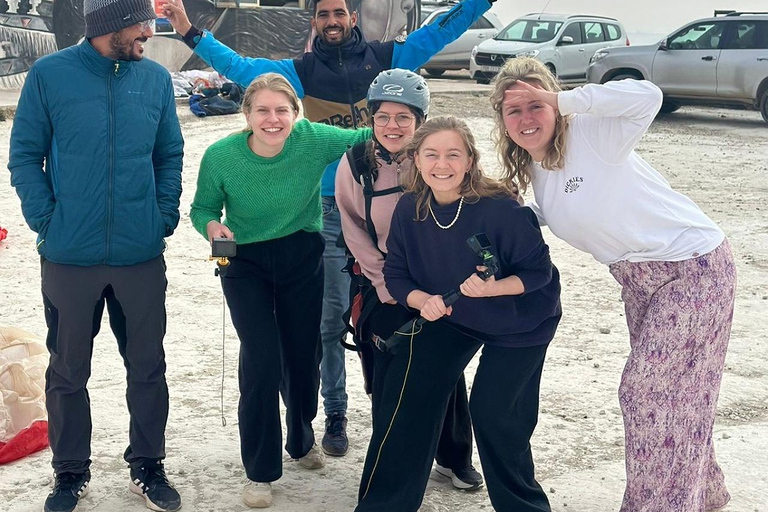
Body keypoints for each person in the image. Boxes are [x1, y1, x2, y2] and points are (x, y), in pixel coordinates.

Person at [163, 0, 496, 457]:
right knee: (330, 318)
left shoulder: (385, 60)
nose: (332, 21)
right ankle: (335, 412)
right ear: (314, 22)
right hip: (326, 209)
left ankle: (446, 444)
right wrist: (186, 28)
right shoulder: (298, 72)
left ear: (352, 17)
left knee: (423, 310)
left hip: (391, 202)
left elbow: (440, 31)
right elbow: (239, 68)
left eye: (339, 12)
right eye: (323, 14)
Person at [490, 57, 736, 512]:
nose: (527, 119)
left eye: (536, 105)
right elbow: (569, 209)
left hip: (693, 267)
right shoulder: (537, 168)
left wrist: (566, 100)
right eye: (514, 111)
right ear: (502, 121)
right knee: (681, 394)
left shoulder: (593, 134)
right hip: (638, 281)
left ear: (554, 105)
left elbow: (649, 97)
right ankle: (703, 495)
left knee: (645, 393)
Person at [7, 0, 184, 511]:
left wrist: (161, 215)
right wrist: (48, 221)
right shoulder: (50, 75)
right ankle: (69, 473)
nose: (150, 33)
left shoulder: (152, 79)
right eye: (142, 25)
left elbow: (168, 152)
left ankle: (148, 465)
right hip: (69, 255)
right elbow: (24, 154)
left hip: (139, 253)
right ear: (111, 25)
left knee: (148, 365)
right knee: (68, 370)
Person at [356, 116, 562, 512]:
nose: (442, 164)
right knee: (407, 393)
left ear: (470, 161)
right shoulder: (408, 209)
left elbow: (539, 274)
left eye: (454, 154)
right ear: (415, 159)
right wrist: (420, 300)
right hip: (454, 315)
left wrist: (492, 288)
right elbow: (396, 274)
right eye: (431, 154)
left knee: (494, 415)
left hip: (520, 320)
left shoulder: (501, 209)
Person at [189, 73, 371, 509]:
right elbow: (202, 208)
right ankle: (260, 469)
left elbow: (371, 133)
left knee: (302, 356)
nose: (273, 120)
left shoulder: (313, 140)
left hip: (300, 254)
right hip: (244, 262)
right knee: (262, 358)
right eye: (262, 111)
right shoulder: (221, 156)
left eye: (282, 110)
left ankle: (302, 437)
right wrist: (212, 227)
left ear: (296, 113)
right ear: (246, 114)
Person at [335, 69, 482, 491]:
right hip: (380, 286)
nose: (392, 127)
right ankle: (391, 460)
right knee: (389, 373)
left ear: (420, 120)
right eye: (383, 117)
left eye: (404, 117)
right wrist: (390, 289)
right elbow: (353, 230)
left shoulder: (434, 157)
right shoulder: (357, 164)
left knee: (445, 370)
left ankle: (453, 455)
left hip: (440, 287)